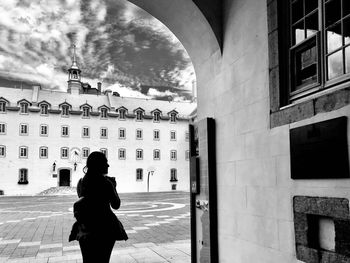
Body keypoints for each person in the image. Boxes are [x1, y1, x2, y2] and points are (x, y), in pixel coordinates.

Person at [69, 151, 121, 263]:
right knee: (103, 260)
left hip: (85, 228)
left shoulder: (83, 181)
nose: (108, 165)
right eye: (105, 162)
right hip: (104, 228)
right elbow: (116, 205)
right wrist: (114, 187)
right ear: (99, 165)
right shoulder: (106, 183)